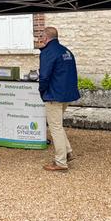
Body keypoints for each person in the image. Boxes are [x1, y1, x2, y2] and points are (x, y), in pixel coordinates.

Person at [39, 26, 80, 171]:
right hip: (67, 94)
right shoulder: (66, 51)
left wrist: (42, 91)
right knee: (58, 124)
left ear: (45, 37)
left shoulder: (48, 52)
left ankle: (60, 162)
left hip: (54, 95)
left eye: (41, 36)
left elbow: (44, 76)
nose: (40, 38)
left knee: (55, 127)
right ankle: (68, 152)